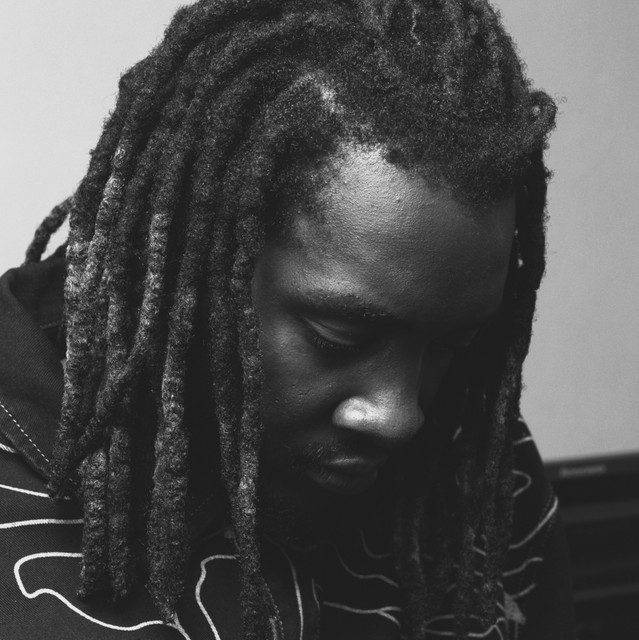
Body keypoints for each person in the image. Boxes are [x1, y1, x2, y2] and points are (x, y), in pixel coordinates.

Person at [0, 0, 576, 638]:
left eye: (450, 344)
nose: (400, 416)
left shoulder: (475, 453)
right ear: (195, 249)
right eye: (340, 338)